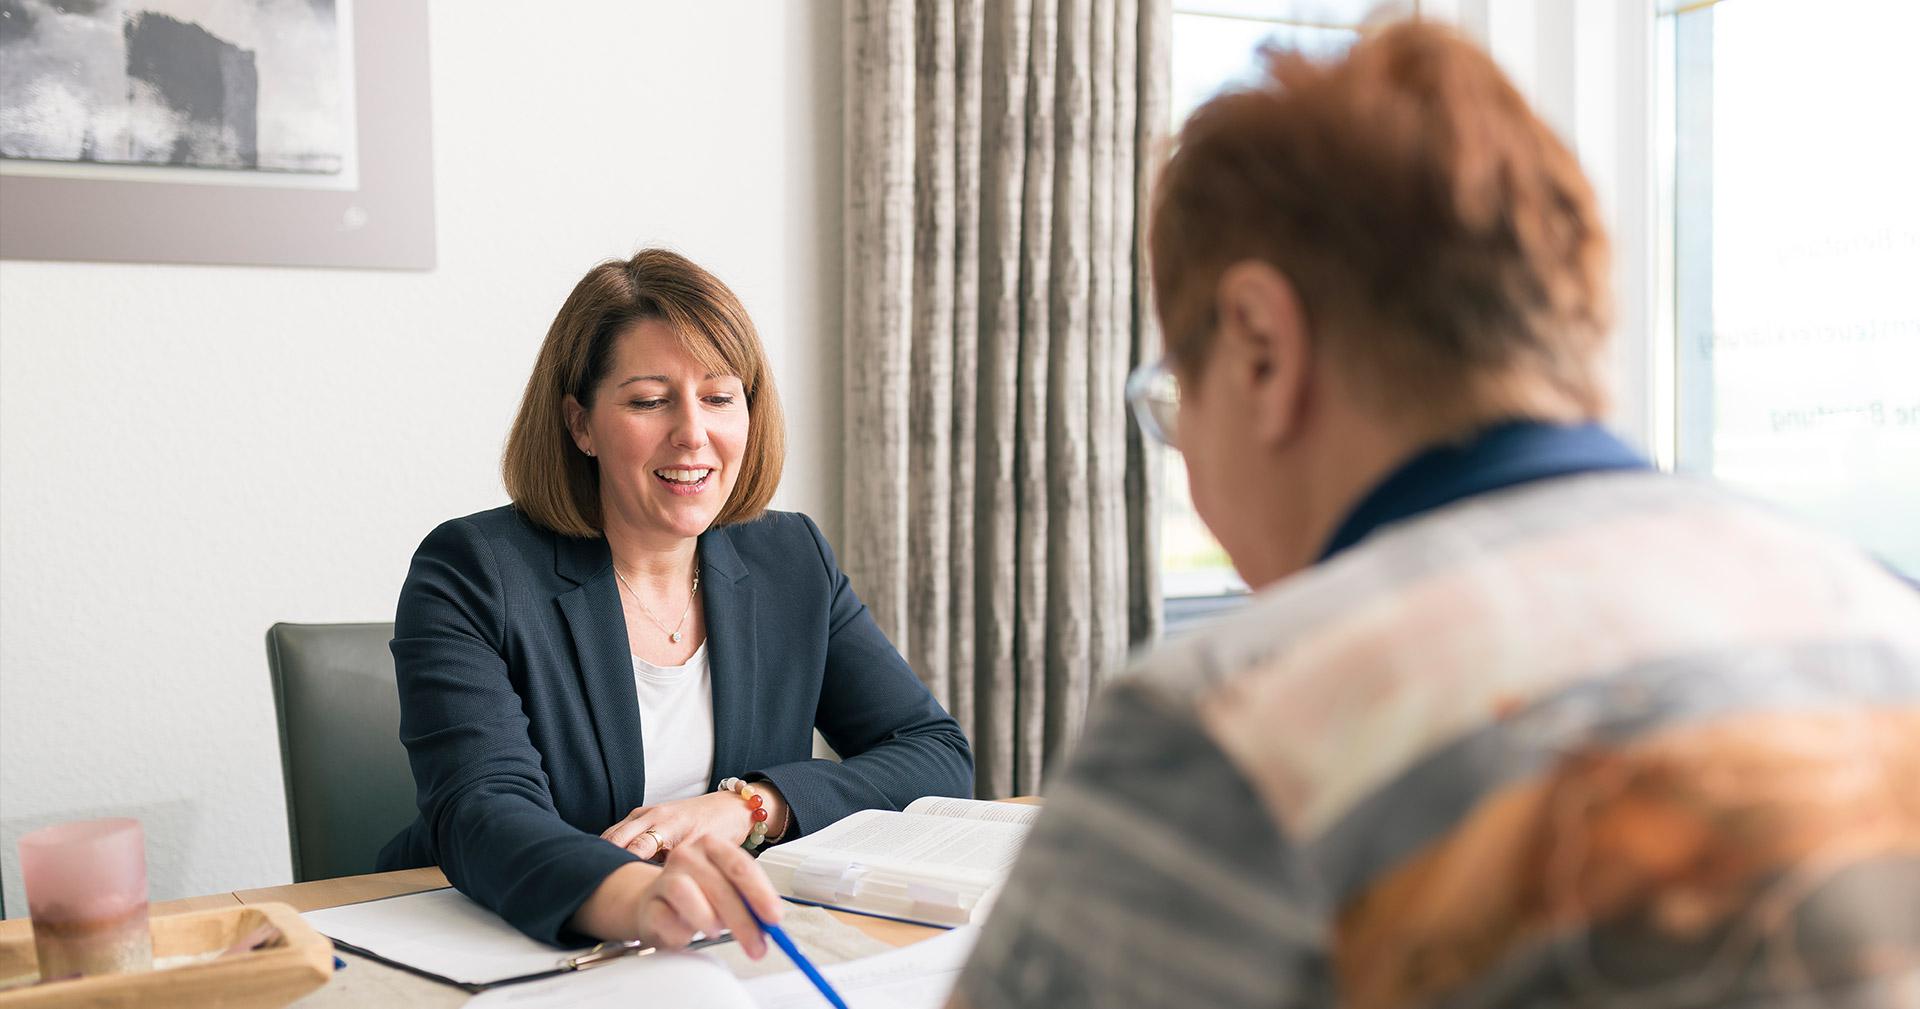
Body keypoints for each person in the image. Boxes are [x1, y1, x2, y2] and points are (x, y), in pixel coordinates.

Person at [953, 20, 1920, 1008]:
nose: (1187, 458)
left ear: (1258, 348)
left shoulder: (1235, 728)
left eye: (1174, 402)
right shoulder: (1887, 625)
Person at [380, 249, 974, 948]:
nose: (693, 433)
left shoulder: (791, 559)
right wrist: (642, 897)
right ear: (581, 424)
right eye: (649, 399)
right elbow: (482, 810)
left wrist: (751, 805)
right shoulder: (472, 570)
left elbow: (936, 754)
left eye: (719, 396)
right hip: (499, 941)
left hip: (721, 947)